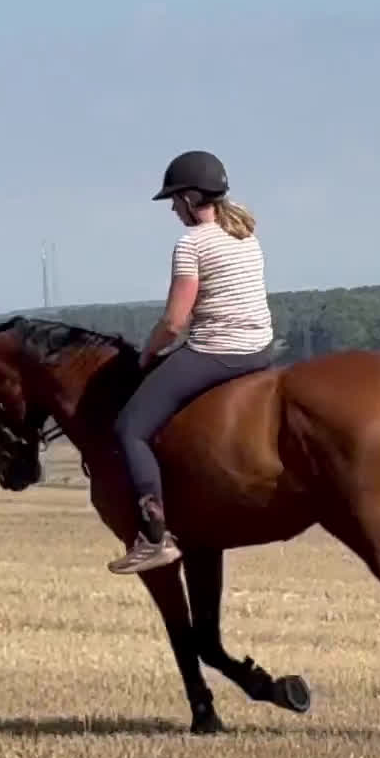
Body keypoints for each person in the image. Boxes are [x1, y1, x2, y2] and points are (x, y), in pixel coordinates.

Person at [108, 149, 275, 575]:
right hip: (260, 350)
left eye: (173, 200)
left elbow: (174, 322)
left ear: (189, 198)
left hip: (218, 351)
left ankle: (153, 537)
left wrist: (148, 353)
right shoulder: (246, 235)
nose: (172, 210)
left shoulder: (192, 244)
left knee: (130, 428)